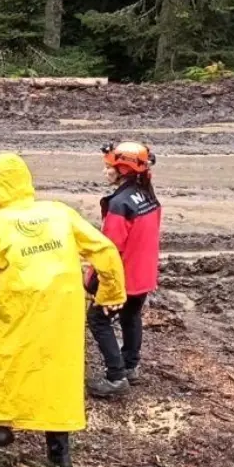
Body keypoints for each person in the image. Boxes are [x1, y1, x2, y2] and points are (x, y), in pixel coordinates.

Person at [0, 153, 126, 467]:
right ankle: (59, 456)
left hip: (9, 315)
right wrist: (111, 292)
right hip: (59, 314)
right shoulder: (58, 212)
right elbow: (104, 249)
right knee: (56, 377)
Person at [86, 141, 163, 398]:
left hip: (124, 278)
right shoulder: (147, 195)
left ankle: (116, 377)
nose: (105, 171)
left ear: (123, 169)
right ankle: (130, 366)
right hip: (144, 275)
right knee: (131, 317)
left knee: (98, 319)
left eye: (109, 167)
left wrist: (93, 279)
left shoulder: (120, 204)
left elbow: (109, 249)